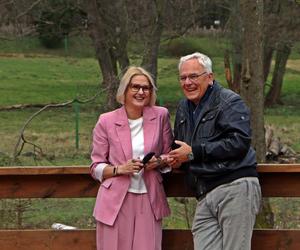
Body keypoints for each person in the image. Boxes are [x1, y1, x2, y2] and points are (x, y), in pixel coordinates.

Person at [168, 52, 262, 250]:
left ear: (209, 77)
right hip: (204, 192)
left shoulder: (229, 101)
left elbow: (239, 142)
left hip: (234, 186)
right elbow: (181, 147)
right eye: (183, 77)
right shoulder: (184, 108)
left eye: (194, 76)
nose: (188, 82)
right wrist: (174, 159)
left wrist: (193, 153)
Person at [90, 66, 173, 250]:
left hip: (149, 198)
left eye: (146, 88)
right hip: (115, 201)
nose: (141, 92)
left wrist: (158, 161)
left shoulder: (161, 116)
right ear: (125, 90)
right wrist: (120, 169)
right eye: (135, 87)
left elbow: (170, 155)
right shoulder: (106, 121)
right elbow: (95, 166)